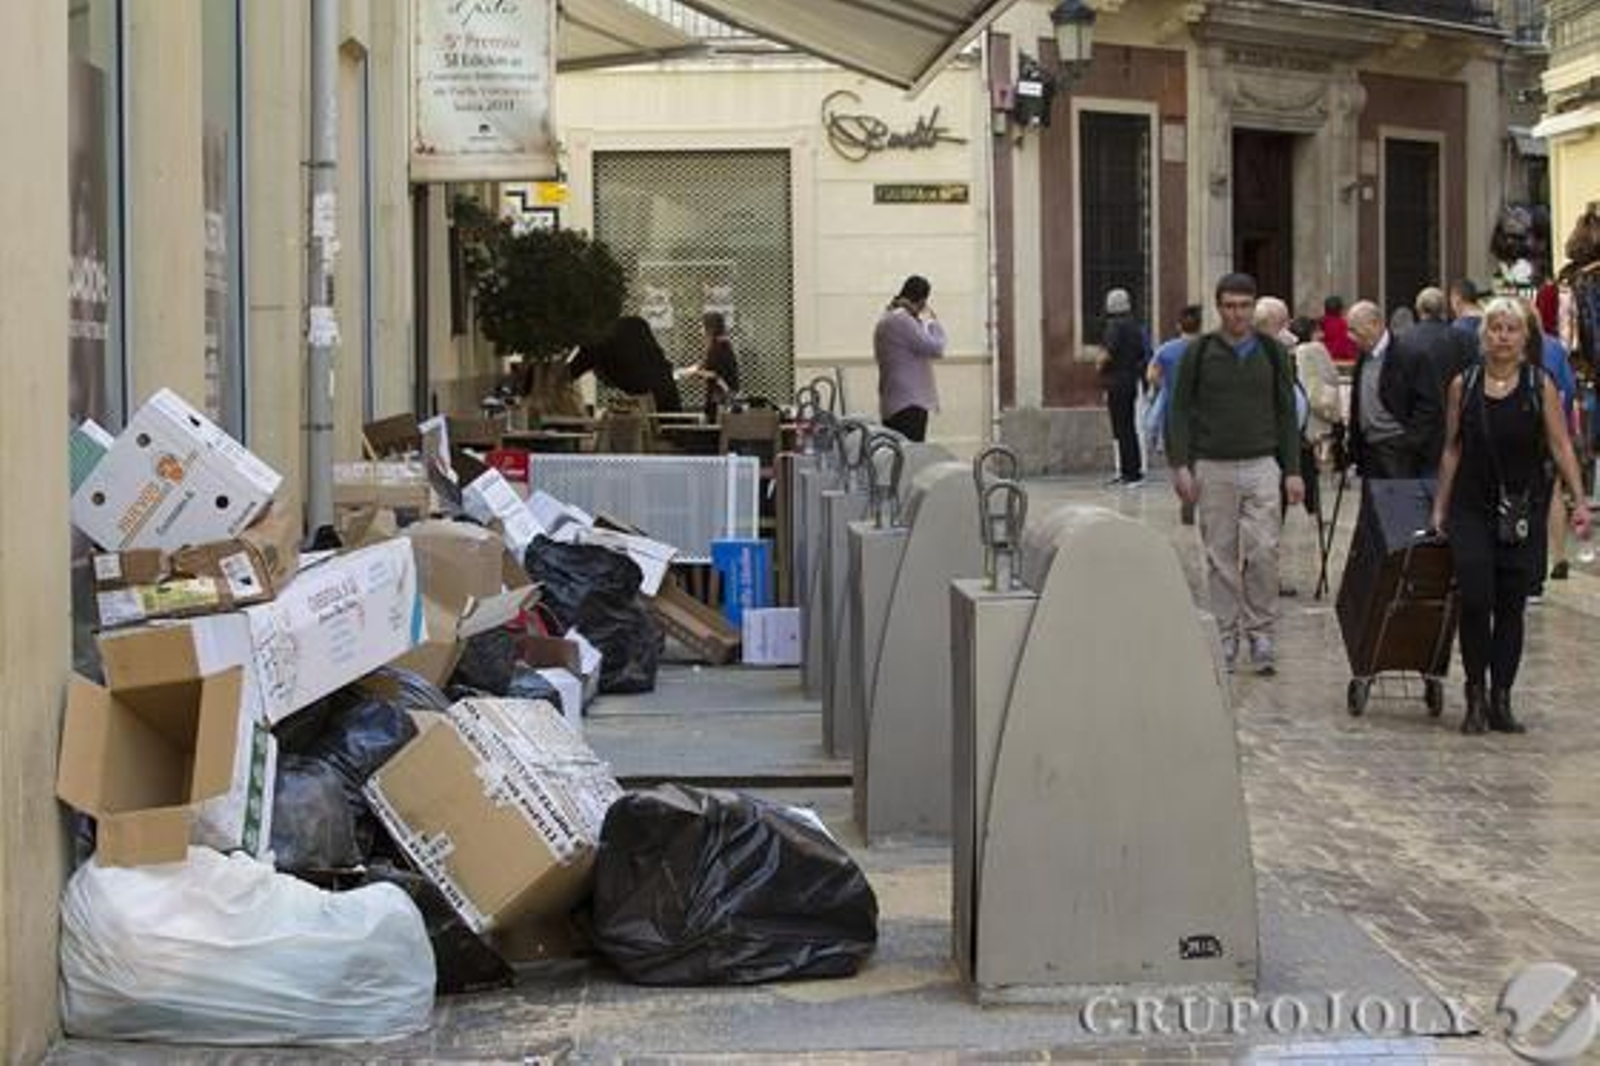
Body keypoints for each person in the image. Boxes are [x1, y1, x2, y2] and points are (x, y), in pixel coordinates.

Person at [1430, 296, 1591, 734]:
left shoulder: (1540, 386)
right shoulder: (1464, 384)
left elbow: (1560, 446)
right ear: (1485, 336)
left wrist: (1579, 500)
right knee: (1476, 596)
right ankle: (1475, 694)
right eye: (1496, 328)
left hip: (1521, 510)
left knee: (1511, 605)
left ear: (1525, 338)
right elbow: (1452, 448)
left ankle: (1502, 696)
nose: (1502, 336)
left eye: (1511, 329)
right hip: (1471, 507)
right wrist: (1440, 506)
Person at [1167, 272, 1303, 675]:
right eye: (1229, 306)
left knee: (1264, 550)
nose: (1237, 313)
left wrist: (1292, 470)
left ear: (1253, 306)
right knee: (1220, 556)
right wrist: (1181, 464)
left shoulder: (1272, 353)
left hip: (1263, 464)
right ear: (1219, 307)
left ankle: (1261, 632)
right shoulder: (1200, 352)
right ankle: (1226, 635)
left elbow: (1285, 412)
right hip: (1212, 465)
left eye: (1244, 305)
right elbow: (1179, 409)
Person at [1347, 299, 1442, 479]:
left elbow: (1429, 405)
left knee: (1398, 503)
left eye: (1354, 329)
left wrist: (1410, 442)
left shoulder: (1409, 355)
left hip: (1398, 449)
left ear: (1375, 324)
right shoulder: (1363, 357)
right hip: (1370, 450)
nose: (1349, 336)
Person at [874, 275, 946, 442]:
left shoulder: (889, 316)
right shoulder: (902, 319)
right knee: (910, 458)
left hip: (895, 402)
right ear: (922, 301)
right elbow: (936, 348)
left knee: (899, 457)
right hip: (908, 404)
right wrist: (932, 322)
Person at [567, 315, 683, 413]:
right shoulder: (635, 324)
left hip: (651, 403)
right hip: (667, 395)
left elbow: (568, 375)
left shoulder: (597, 341)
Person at [1288, 315, 1343, 517]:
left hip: (1301, 416)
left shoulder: (1293, 351)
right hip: (1316, 414)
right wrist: (1335, 416)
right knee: (1313, 467)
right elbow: (1330, 379)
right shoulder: (1314, 350)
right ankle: (1313, 510)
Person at [1101, 287, 1150, 486]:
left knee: (1120, 428)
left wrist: (1100, 363)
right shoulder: (1135, 326)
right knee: (1129, 427)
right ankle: (1133, 470)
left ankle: (1129, 473)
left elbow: (1108, 352)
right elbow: (1141, 353)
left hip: (1116, 382)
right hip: (1131, 380)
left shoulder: (1114, 325)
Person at [1410, 286, 1477, 407]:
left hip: (1420, 415)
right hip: (1458, 409)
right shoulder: (1462, 337)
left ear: (1418, 309)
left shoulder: (1406, 340)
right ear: (1444, 309)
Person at [678, 311, 741, 422]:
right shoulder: (720, 344)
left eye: (702, 326)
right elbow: (705, 366)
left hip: (719, 397)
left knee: (716, 427)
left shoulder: (719, 346)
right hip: (720, 394)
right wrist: (688, 371)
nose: (700, 330)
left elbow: (715, 373)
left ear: (710, 327)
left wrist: (693, 373)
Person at [1321, 295, 1358, 366]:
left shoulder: (1321, 324)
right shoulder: (1346, 324)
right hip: (1345, 360)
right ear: (1341, 309)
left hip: (1325, 361)